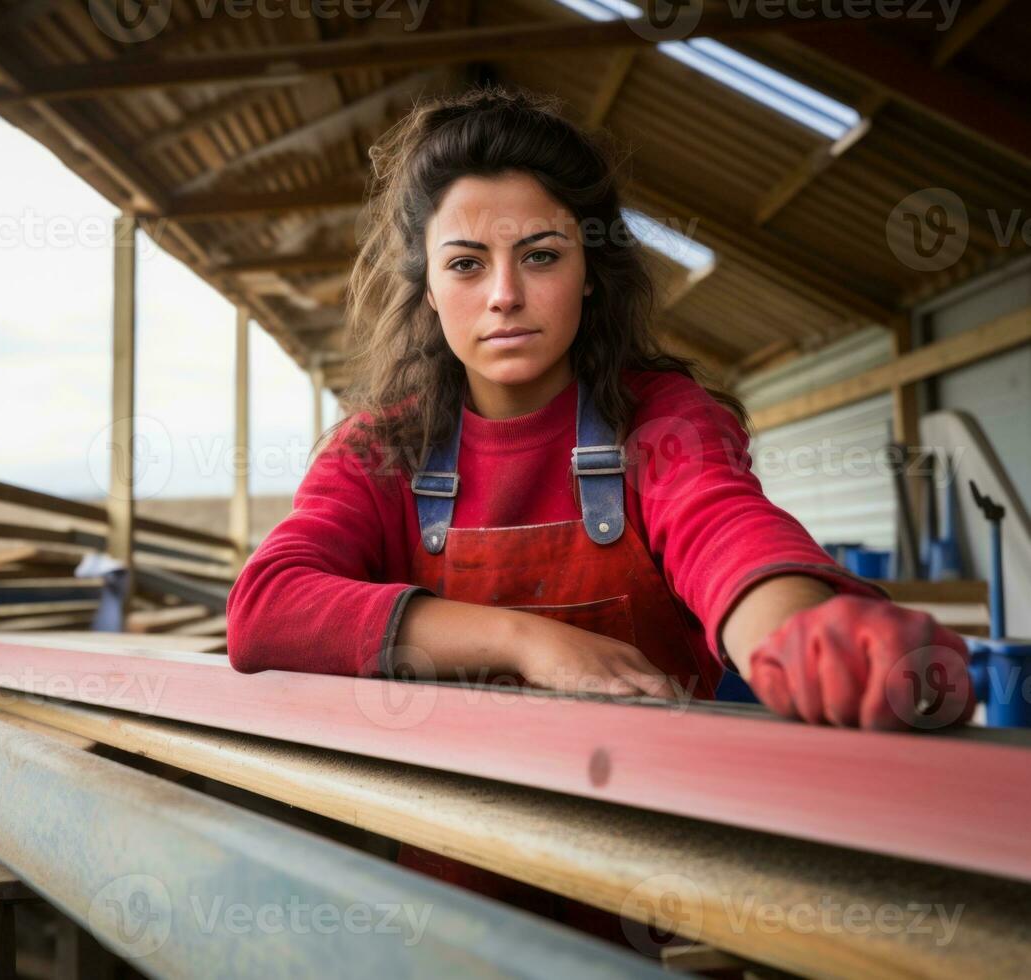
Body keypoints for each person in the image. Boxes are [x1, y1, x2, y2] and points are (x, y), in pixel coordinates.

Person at [223, 84, 974, 938]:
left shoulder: (661, 423)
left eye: (541, 256)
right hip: (444, 900)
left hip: (656, 889)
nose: (503, 293)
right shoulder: (377, 448)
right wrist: (526, 640)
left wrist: (804, 636)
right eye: (466, 264)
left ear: (590, 272)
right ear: (429, 289)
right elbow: (264, 607)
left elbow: (724, 531)